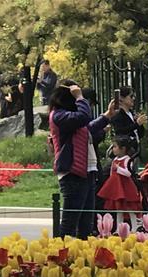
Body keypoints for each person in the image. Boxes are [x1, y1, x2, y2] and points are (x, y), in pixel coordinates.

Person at [49, 83, 116, 239]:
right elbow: (84, 118)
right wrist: (80, 97)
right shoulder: (58, 115)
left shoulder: (71, 118)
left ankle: (81, 252)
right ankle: (62, 252)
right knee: (69, 224)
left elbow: (87, 128)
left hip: (86, 172)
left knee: (86, 224)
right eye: (75, 97)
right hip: (73, 173)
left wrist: (107, 116)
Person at [98, 136, 142, 229]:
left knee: (130, 208)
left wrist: (118, 169)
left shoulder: (127, 159)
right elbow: (111, 173)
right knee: (119, 209)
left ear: (123, 148)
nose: (113, 149)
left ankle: (134, 227)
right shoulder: (115, 160)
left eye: (115, 147)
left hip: (126, 187)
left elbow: (128, 173)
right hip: (117, 188)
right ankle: (119, 228)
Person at [111, 86, 147, 158]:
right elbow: (120, 131)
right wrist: (137, 124)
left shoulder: (132, 113)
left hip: (135, 149)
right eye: (131, 96)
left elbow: (140, 134)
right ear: (122, 98)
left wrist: (140, 124)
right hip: (125, 152)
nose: (133, 99)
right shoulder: (117, 114)